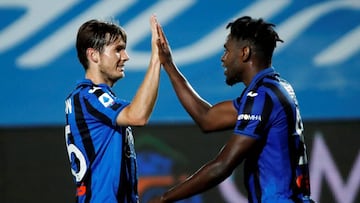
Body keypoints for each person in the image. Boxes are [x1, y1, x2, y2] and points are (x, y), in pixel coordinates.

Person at [151, 16, 315, 202]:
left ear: (244, 53)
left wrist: (164, 198)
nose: (223, 59)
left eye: (227, 51)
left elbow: (222, 166)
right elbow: (207, 118)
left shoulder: (261, 97)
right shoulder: (273, 89)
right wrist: (169, 64)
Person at [64, 15, 161, 203]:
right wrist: (156, 59)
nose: (125, 57)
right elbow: (138, 115)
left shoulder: (91, 99)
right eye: (118, 50)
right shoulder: (89, 96)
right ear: (93, 55)